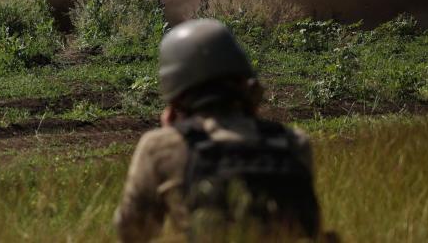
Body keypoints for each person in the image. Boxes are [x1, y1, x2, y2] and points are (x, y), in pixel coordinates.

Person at [114, 19, 322, 242]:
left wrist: (173, 134)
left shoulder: (159, 147)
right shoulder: (294, 143)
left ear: (175, 91)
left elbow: (132, 232)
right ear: (244, 83)